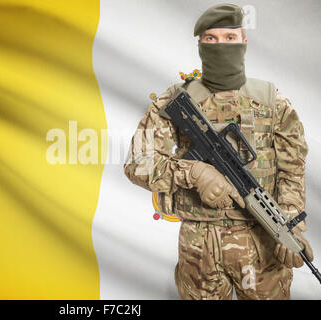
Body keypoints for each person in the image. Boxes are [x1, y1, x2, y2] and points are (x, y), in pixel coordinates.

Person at [124, 3, 314, 300]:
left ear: (243, 42)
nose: (220, 46)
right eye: (211, 39)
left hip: (261, 247)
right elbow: (137, 163)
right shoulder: (176, 101)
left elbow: (292, 170)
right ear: (200, 44)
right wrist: (195, 172)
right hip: (199, 247)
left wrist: (288, 228)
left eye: (229, 38)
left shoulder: (273, 103)